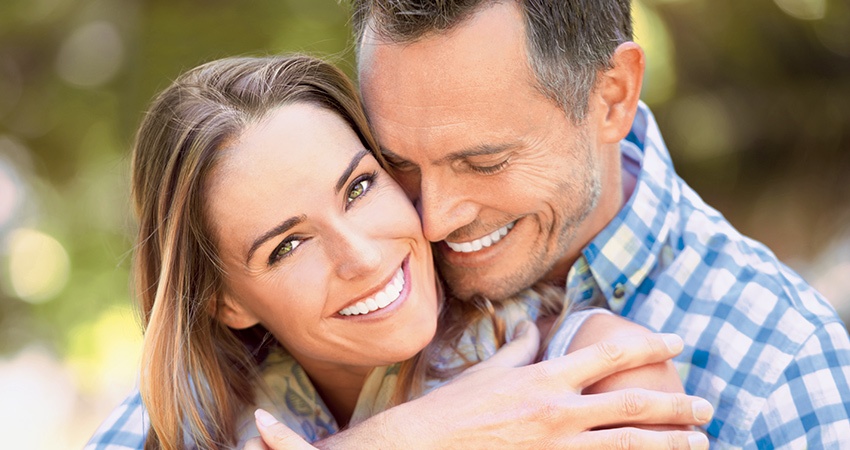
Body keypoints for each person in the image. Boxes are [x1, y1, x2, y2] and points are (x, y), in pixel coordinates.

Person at [85, 54, 713, 450]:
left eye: (359, 187)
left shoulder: (592, 376)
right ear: (226, 301)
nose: (360, 255)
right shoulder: (197, 418)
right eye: (289, 244)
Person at [336, 0, 850, 448]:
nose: (432, 221)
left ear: (613, 96)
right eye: (396, 161)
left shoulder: (783, 367)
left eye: (485, 163)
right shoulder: (348, 275)